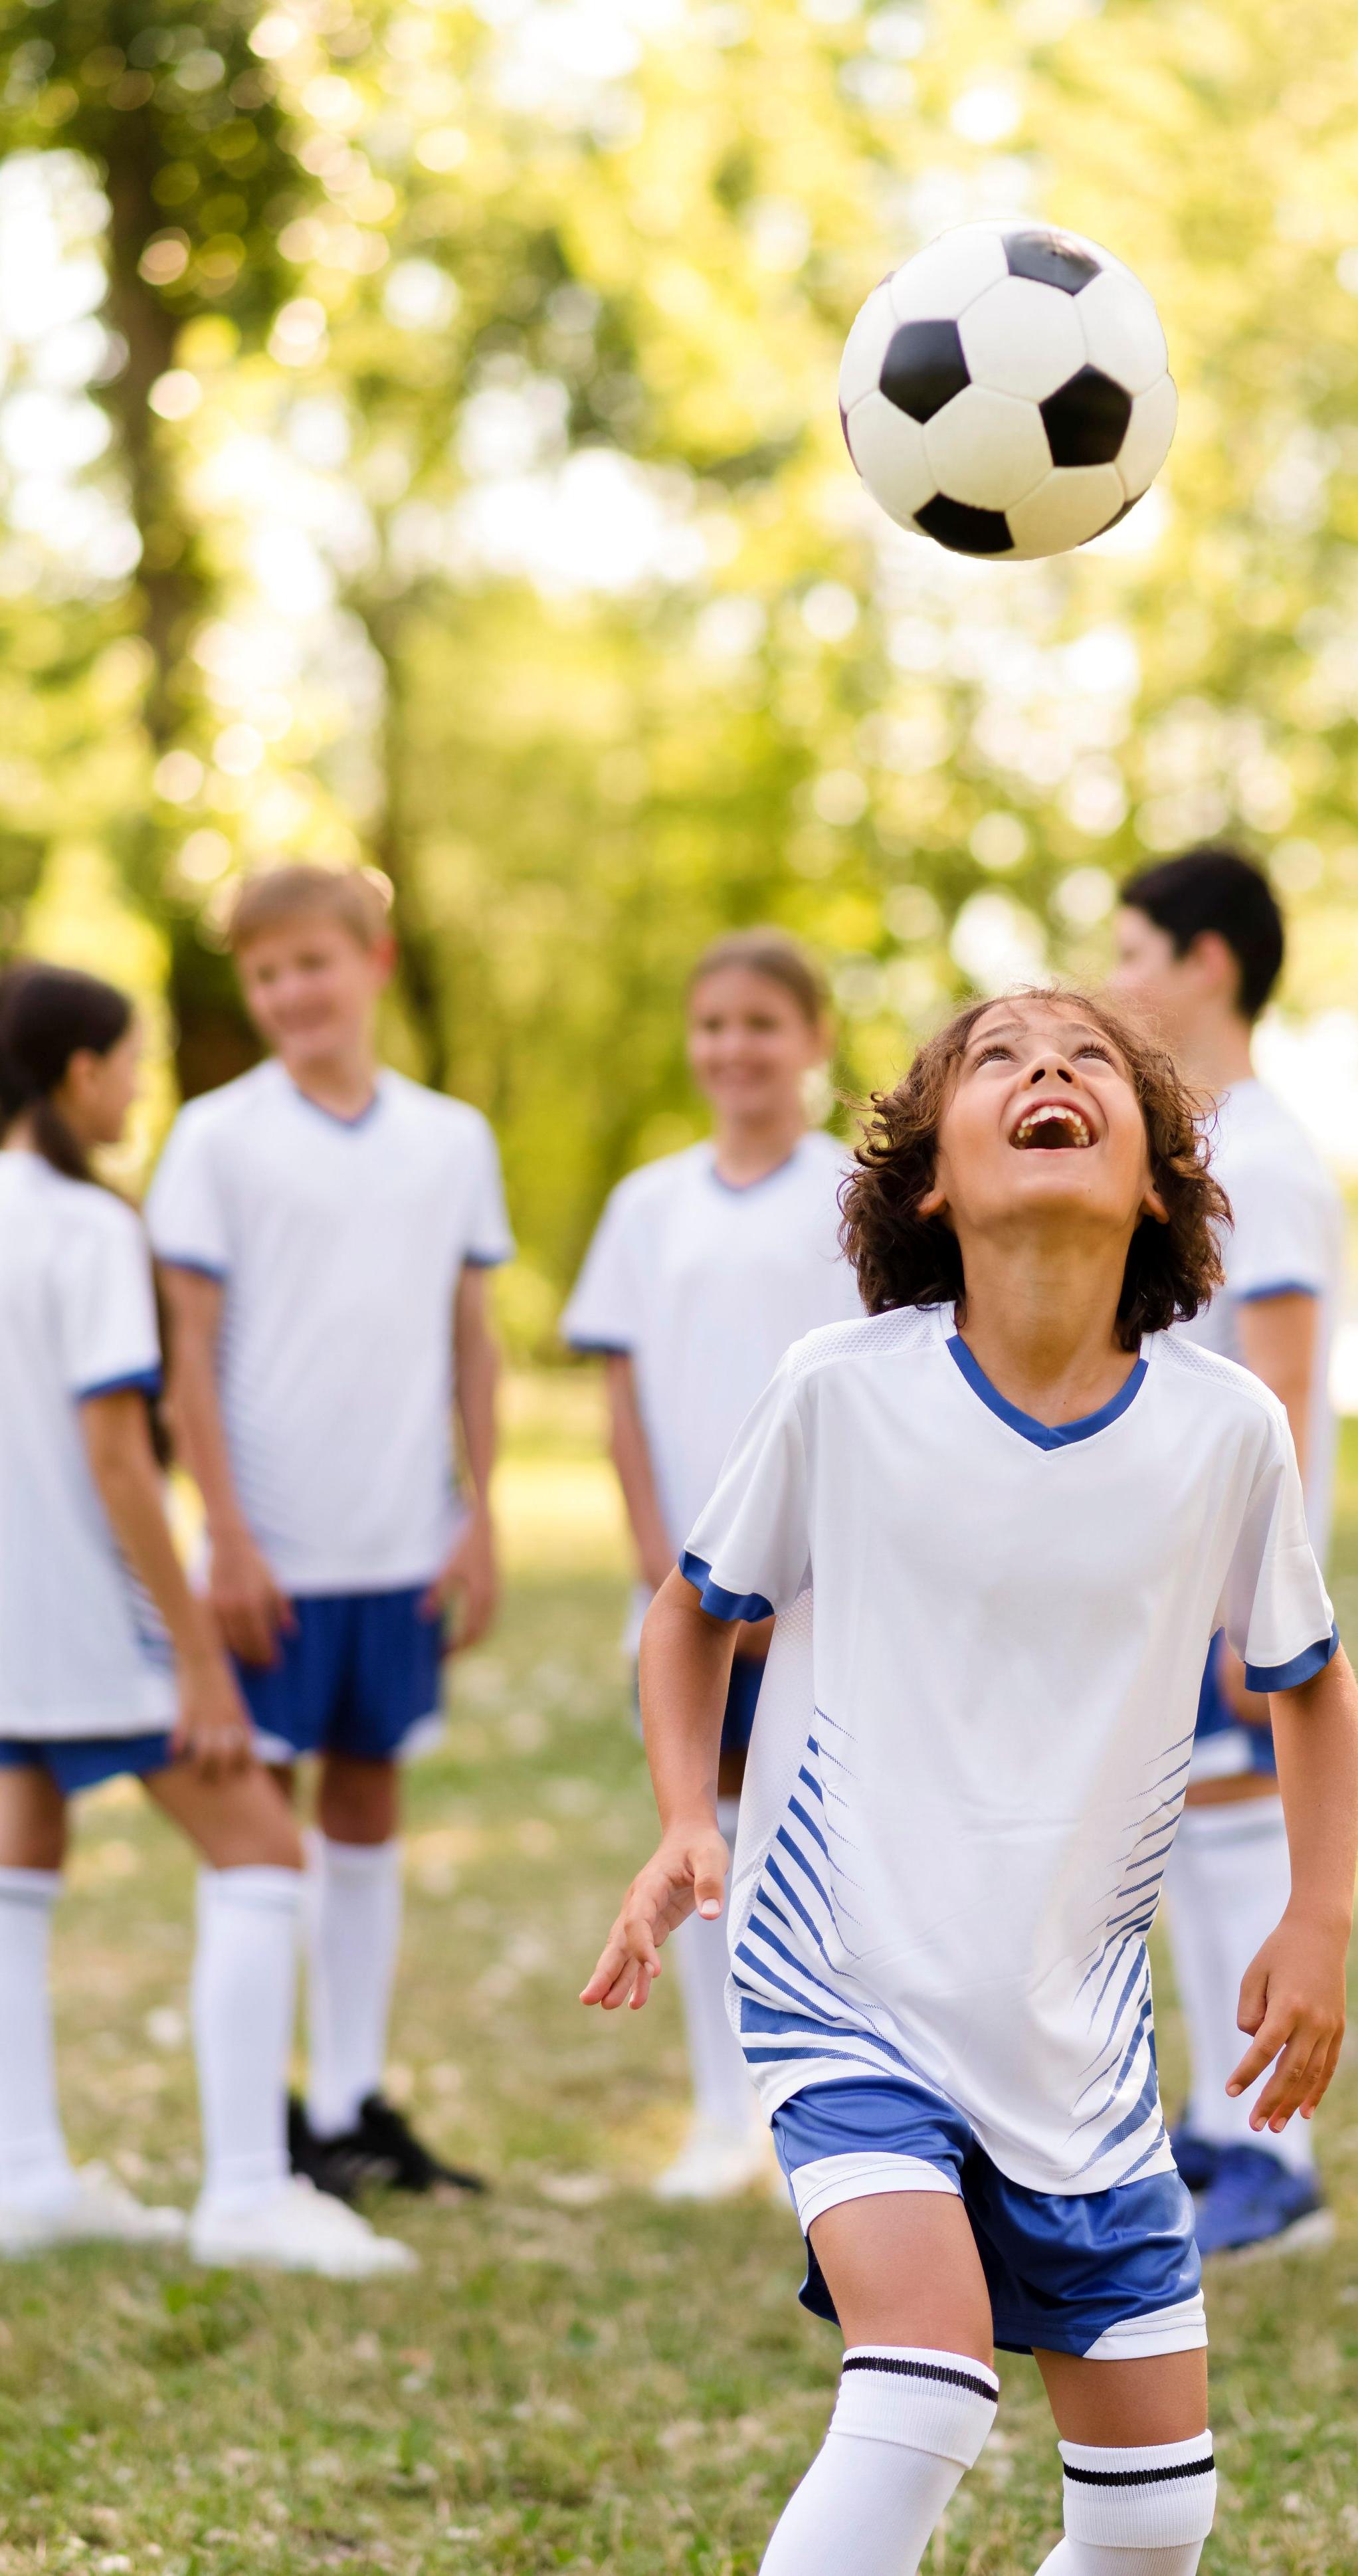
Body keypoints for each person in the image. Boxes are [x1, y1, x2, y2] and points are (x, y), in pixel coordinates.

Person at [583, 986, 1357, 2576]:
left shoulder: (1224, 1432)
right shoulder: (841, 1387)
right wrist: (684, 1816)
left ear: (1154, 1180)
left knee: (1154, 2522)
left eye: (1085, 1062)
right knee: (921, 2385)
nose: (1046, 1072)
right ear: (930, 1174)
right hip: (842, 1980)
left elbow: (1307, 1680)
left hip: (1075, 2035)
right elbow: (689, 1615)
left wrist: (1320, 1909)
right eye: (997, 1059)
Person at [0, 962, 413, 2276]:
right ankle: (245, 2189)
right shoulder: (79, 1227)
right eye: (125, 1065)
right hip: (87, 1623)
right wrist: (194, 1659)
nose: (133, 1090)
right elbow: (121, 1459)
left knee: (18, 1863)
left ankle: (25, 2176)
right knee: (260, 1853)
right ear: (78, 1074)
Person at [147, 865, 512, 2202]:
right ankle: (261, 2125)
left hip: (401, 1543)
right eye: (264, 975)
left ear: (373, 957)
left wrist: (478, 1515)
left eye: (312, 962)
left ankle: (351, 2104)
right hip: (272, 1556)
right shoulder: (215, 1137)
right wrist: (224, 1533)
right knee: (263, 1826)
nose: (290, 992)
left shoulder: (449, 1139)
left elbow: (470, 1340)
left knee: (368, 1801)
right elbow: (185, 1348)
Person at [563, 929, 862, 2201]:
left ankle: (834, 2115)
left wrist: (798, 1585)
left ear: (814, 1040)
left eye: (763, 1024)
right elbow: (623, 1396)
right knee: (701, 1839)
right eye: (714, 1025)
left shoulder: (858, 1193)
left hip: (825, 1588)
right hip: (698, 1586)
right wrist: (672, 1568)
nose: (735, 1048)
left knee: (833, 1841)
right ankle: (716, 2107)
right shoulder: (650, 1204)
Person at [1113, 846, 1345, 2258]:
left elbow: (1275, 1381)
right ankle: (1217, 2125)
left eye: (1134, 949)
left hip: (1238, 1583)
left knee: (1248, 1843)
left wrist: (1255, 1594)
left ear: (1208, 962)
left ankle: (1280, 2160)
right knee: (1194, 1845)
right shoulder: (1193, 1148)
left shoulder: (1261, 1156)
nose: (1116, 977)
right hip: (1177, 1578)